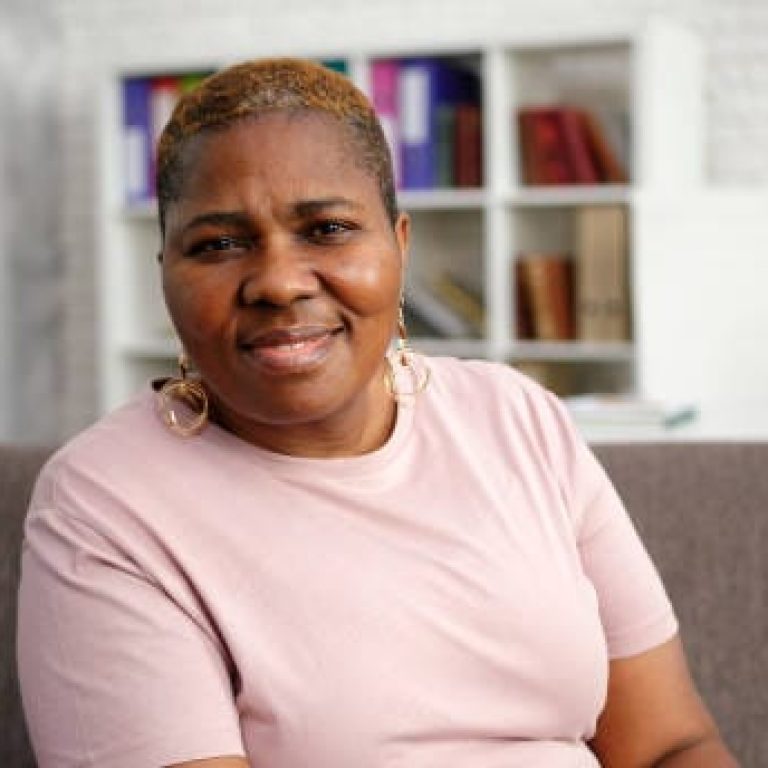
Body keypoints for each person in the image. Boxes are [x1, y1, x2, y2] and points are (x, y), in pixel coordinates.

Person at [17, 58, 736, 768]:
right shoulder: (106, 503)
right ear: (166, 275)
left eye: (326, 229)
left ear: (399, 244)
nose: (278, 283)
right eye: (219, 244)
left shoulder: (517, 416)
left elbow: (668, 745)